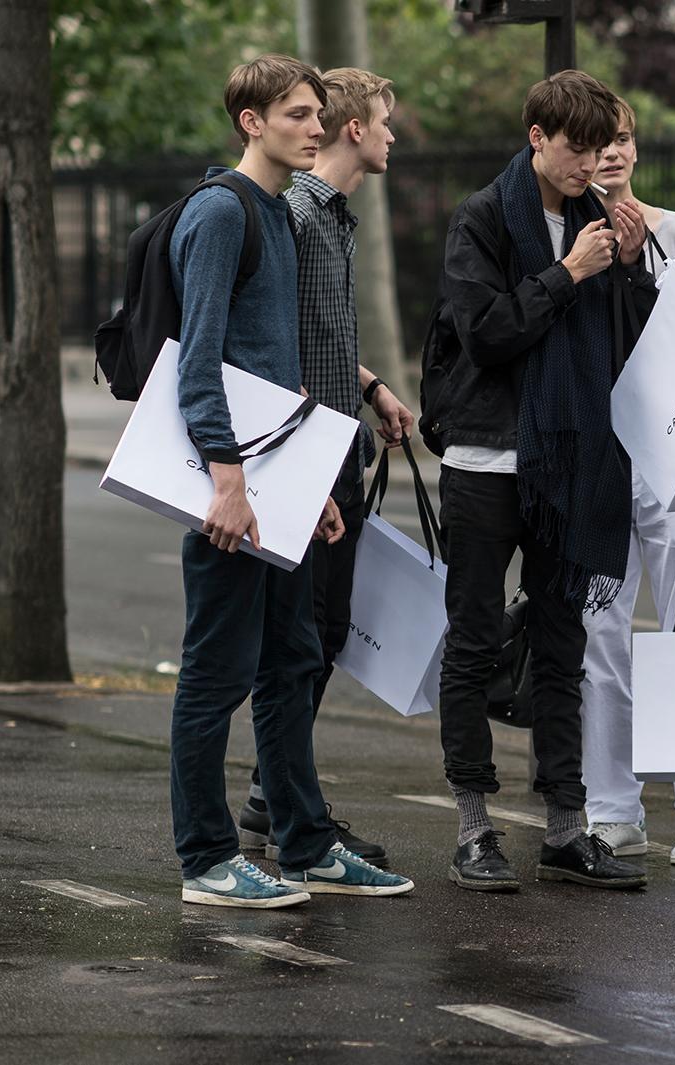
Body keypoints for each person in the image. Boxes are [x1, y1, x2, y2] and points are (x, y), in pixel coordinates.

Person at [169, 53, 413, 907]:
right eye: (299, 115)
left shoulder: (278, 214)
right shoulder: (221, 213)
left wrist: (310, 489)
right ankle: (206, 859)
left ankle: (307, 846)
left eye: (318, 114)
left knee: (292, 659)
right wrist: (228, 482)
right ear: (253, 122)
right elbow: (199, 363)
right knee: (216, 673)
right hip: (232, 490)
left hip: (282, 482)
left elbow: (282, 370)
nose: (318, 128)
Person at [425, 70, 658, 892]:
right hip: (487, 460)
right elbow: (486, 333)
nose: (588, 164)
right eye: (574, 148)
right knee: (475, 640)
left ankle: (566, 826)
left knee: (563, 645)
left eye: (600, 149)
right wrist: (570, 272)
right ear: (536, 137)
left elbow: (629, 345)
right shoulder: (485, 217)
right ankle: (474, 826)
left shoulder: (601, 222)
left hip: (573, 461)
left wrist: (630, 266)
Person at [236, 66, 416, 871]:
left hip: (338, 447)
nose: (391, 134)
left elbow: (321, 331)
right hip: (305, 458)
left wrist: (372, 386)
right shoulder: (301, 215)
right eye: (384, 120)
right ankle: (283, 806)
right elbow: (274, 343)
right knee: (305, 640)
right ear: (354, 129)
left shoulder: (332, 215)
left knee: (323, 633)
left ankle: (273, 795)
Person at [582, 95, 675, 866]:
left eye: (623, 139)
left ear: (637, 148)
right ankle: (613, 809)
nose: (612, 152)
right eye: (599, 141)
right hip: (598, 465)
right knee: (599, 638)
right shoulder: (567, 239)